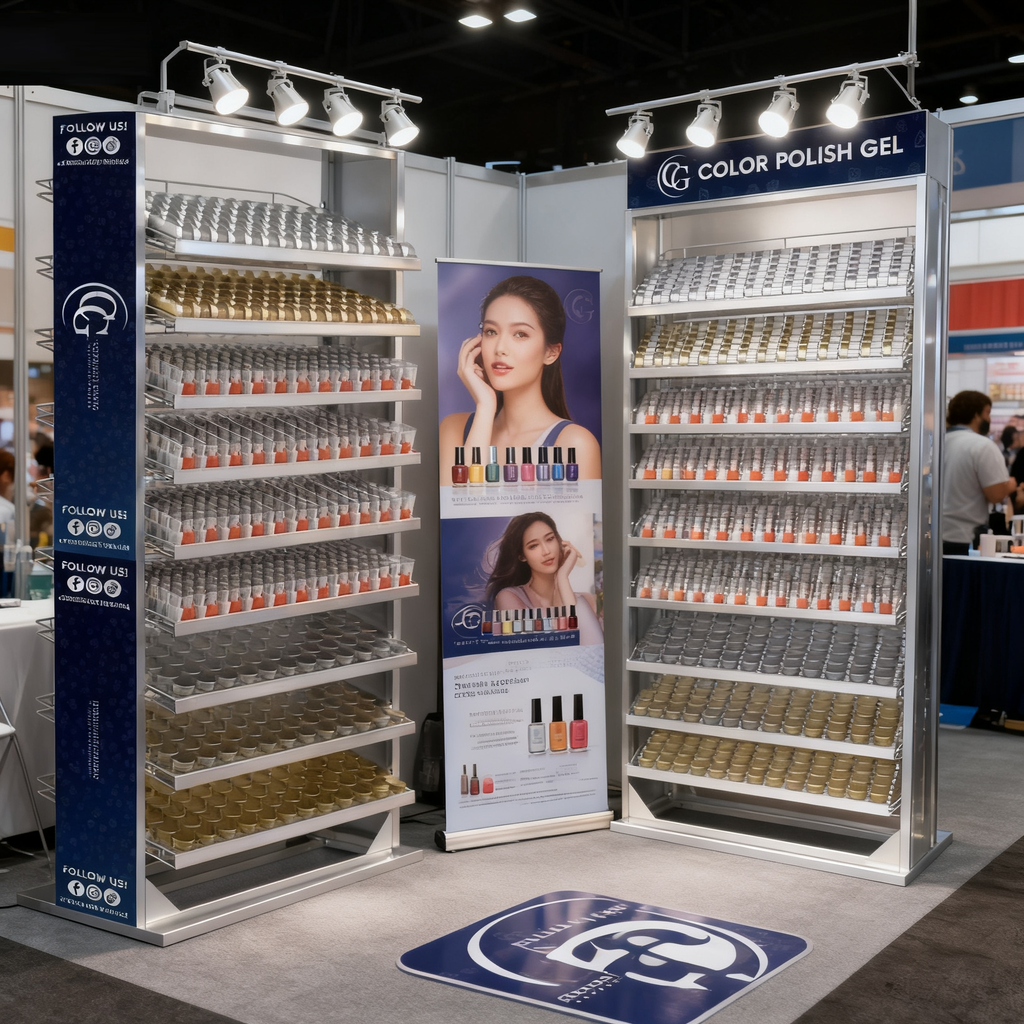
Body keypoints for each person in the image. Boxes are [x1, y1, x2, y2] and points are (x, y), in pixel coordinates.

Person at [439, 275, 601, 484]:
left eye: (520, 334)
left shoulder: (576, 443)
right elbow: (459, 507)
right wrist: (485, 407)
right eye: (491, 331)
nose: (500, 348)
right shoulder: (454, 429)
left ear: (551, 352)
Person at [485, 512, 602, 644]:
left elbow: (593, 647)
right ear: (522, 556)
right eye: (533, 546)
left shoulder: (585, 600)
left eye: (550, 539)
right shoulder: (509, 597)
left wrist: (562, 579)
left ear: (560, 542)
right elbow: (537, 647)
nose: (546, 551)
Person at [943, 391, 1020, 555]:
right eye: (987, 413)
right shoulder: (982, 445)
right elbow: (996, 495)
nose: (989, 419)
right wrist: (1010, 485)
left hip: (934, 534)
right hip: (963, 536)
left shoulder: (938, 441)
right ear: (976, 415)